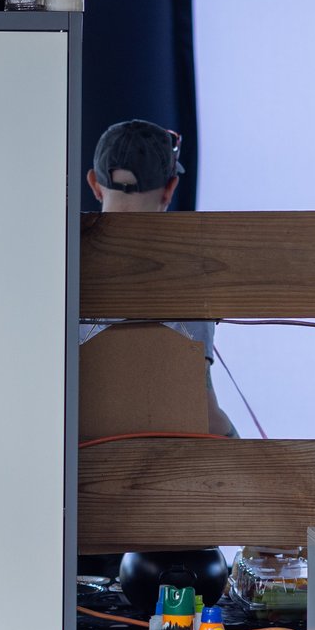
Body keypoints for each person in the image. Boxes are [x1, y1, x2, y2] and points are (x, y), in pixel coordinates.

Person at [80, 119, 236, 435]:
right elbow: (203, 412)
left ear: (94, 183)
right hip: (155, 454)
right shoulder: (187, 276)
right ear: (170, 189)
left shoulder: (60, 255)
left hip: (65, 452)